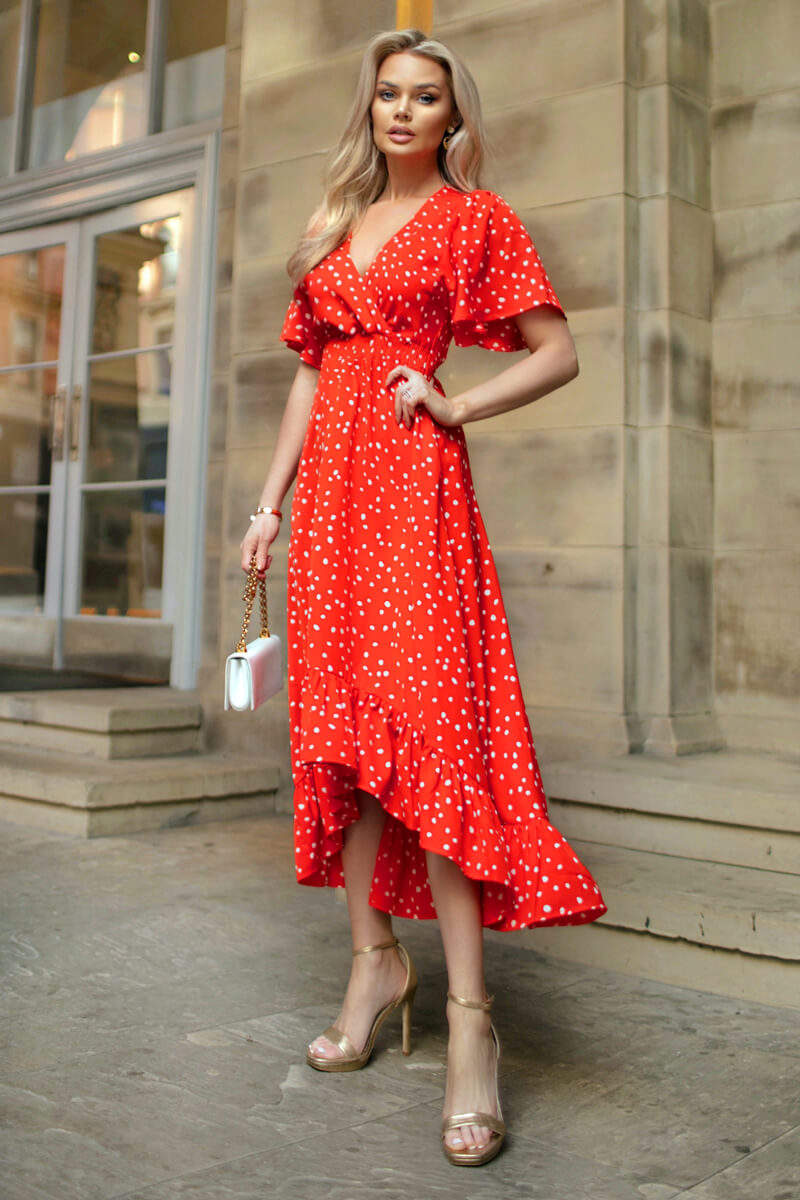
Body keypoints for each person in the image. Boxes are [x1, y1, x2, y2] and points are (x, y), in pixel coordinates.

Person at [239, 26, 608, 1168]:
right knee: (345, 740)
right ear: (371, 107)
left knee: (434, 740)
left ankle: (471, 1023)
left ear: (452, 116)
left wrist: (456, 404)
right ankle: (373, 965)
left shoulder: (474, 218)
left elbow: (555, 352)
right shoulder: (334, 224)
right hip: (330, 508)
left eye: (427, 96)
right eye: (389, 93)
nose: (403, 110)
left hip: (411, 490)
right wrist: (267, 505)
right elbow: (312, 372)